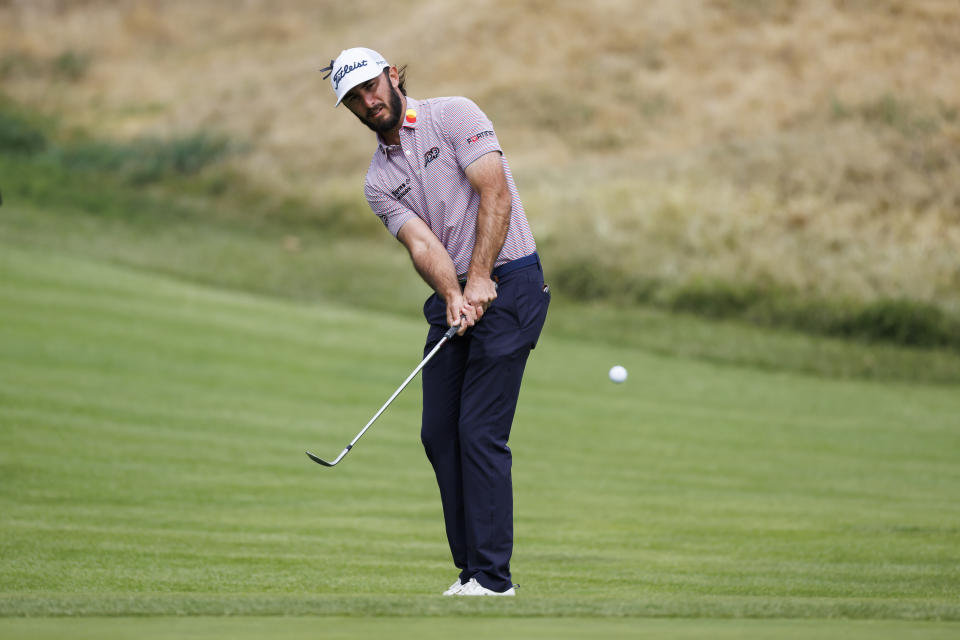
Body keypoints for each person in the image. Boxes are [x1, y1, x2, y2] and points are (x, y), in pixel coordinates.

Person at [322, 47, 550, 596]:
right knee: (439, 433)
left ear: (392, 76)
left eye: (372, 86)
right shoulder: (378, 180)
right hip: (460, 292)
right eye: (354, 98)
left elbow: (493, 193)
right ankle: (471, 570)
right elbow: (421, 241)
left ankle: (494, 580)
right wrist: (453, 292)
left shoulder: (455, 115)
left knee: (479, 432)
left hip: (511, 280)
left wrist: (479, 279)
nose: (368, 101)